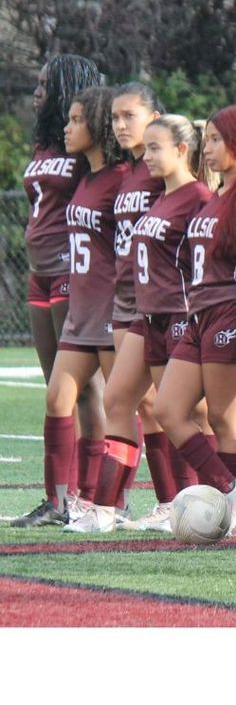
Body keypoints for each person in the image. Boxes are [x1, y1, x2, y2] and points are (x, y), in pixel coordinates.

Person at [84, 116, 216, 531]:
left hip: (177, 314)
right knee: (118, 401)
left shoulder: (198, 196)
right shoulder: (159, 196)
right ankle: (105, 510)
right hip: (147, 314)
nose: (149, 156)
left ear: (181, 150)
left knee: (176, 412)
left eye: (156, 148)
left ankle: (200, 503)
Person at [12, 86, 125, 528]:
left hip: (87, 285)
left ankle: (106, 497)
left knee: (118, 399)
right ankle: (61, 500)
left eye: (44, 85)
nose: (37, 94)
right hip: (48, 272)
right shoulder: (55, 151)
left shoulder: (103, 169)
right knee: (58, 393)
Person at [151, 106, 236, 533]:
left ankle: (224, 513)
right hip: (200, 313)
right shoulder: (218, 192)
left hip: (233, 308)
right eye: (208, 139)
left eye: (218, 139)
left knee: (223, 420)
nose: (209, 147)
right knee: (169, 409)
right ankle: (228, 489)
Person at [81, 83, 170, 528]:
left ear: (154, 116)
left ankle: (109, 507)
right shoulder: (128, 172)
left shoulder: (161, 169)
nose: (119, 126)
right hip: (125, 296)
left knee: (149, 405)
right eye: (115, 118)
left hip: (156, 301)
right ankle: (165, 504)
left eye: (129, 116)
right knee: (140, 405)